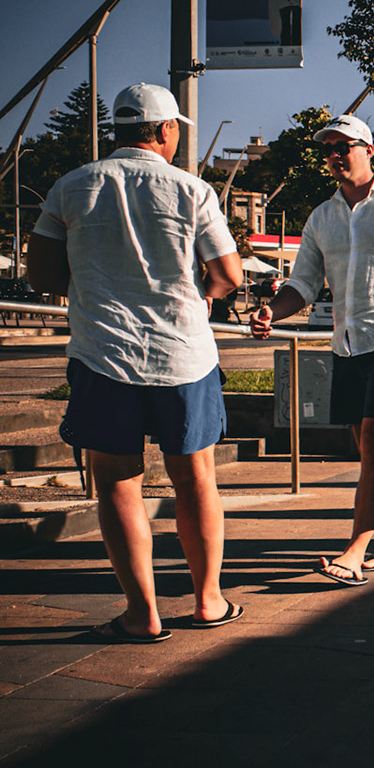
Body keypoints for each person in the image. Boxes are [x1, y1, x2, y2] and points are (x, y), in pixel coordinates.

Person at [30, 83, 244, 640]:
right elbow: (228, 276)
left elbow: (42, 274)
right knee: (195, 479)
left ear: (118, 131)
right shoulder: (193, 190)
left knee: (118, 483)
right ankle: (208, 601)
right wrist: (199, 293)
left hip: (103, 355)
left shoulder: (71, 187)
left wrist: (91, 288)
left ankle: (141, 615)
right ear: (167, 130)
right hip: (185, 357)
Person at [251, 113, 374, 585]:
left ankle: (356, 550)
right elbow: (302, 284)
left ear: (369, 149)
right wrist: (270, 313)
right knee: (367, 449)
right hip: (347, 345)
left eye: (345, 146)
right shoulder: (322, 216)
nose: (336, 155)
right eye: (329, 149)